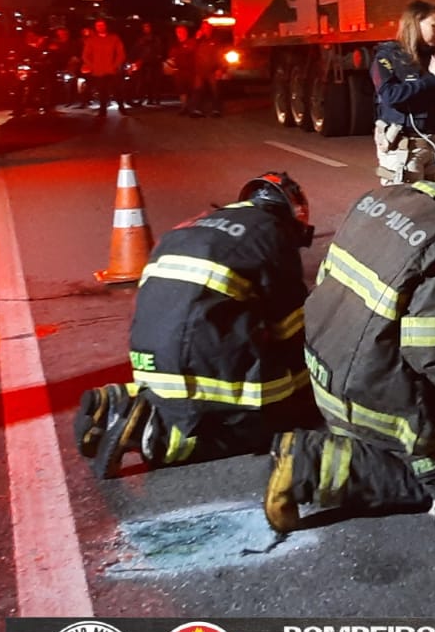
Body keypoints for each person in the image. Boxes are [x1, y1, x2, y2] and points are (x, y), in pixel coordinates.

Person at [264, 131, 435, 533]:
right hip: (368, 392)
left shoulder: (385, 197)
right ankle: (310, 464)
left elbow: (330, 280)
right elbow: (433, 350)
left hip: (322, 368)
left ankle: (361, 446)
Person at [75, 173, 317, 478]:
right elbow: (292, 329)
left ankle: (117, 402)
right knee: (283, 418)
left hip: (149, 365)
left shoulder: (194, 225)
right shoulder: (272, 234)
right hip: (197, 368)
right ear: (291, 215)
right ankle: (158, 434)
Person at [371, 0, 435, 185]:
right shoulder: (388, 57)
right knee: (405, 206)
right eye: (434, 25)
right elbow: (390, 96)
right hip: (405, 149)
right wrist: (432, 78)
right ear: (416, 23)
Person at [81, 18, 128, 115]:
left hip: (112, 70)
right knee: (102, 91)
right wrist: (92, 66)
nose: (100, 27)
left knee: (117, 90)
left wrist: (115, 65)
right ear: (95, 27)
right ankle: (103, 110)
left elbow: (121, 53)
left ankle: (121, 107)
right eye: (98, 25)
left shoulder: (114, 38)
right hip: (98, 70)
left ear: (106, 26)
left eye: (102, 25)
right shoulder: (91, 40)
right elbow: (85, 55)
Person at [191, 21, 228, 116]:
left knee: (215, 90)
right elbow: (191, 50)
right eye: (203, 28)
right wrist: (196, 38)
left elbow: (221, 55)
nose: (205, 29)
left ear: (211, 29)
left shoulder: (216, 40)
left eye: (207, 27)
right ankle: (197, 110)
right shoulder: (199, 40)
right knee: (198, 90)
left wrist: (221, 68)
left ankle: (216, 110)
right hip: (200, 70)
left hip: (212, 70)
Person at [131, 21, 166, 106]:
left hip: (154, 62)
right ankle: (147, 98)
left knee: (155, 81)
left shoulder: (156, 38)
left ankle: (156, 98)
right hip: (144, 62)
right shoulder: (141, 39)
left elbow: (159, 49)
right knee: (145, 81)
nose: (146, 28)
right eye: (144, 27)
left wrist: (158, 57)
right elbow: (136, 49)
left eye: (147, 27)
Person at [166, 22, 198, 112]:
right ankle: (184, 107)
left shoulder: (191, 42)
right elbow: (171, 56)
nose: (179, 34)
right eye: (178, 32)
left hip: (190, 70)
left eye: (181, 32)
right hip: (179, 71)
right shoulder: (175, 45)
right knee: (181, 90)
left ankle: (192, 107)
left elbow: (190, 52)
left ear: (185, 32)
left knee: (191, 89)